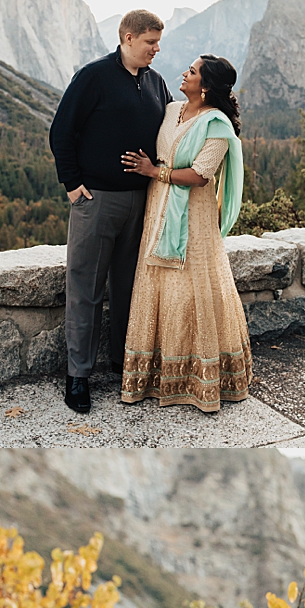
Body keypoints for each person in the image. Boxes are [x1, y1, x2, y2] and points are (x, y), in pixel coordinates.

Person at [48, 10, 172, 414]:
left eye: (158, 42)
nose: (157, 49)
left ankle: (124, 363)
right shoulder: (93, 76)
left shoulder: (156, 82)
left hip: (144, 201)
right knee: (86, 288)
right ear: (128, 37)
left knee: (129, 289)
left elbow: (174, 129)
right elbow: (61, 130)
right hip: (97, 199)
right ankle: (78, 377)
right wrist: (71, 184)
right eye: (150, 42)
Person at [119, 55, 253, 411]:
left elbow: (199, 175)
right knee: (158, 284)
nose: (184, 73)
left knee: (193, 286)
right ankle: (156, 373)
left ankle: (199, 377)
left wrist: (153, 172)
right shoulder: (171, 109)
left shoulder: (218, 125)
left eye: (192, 72)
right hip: (158, 208)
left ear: (205, 86)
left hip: (194, 215)